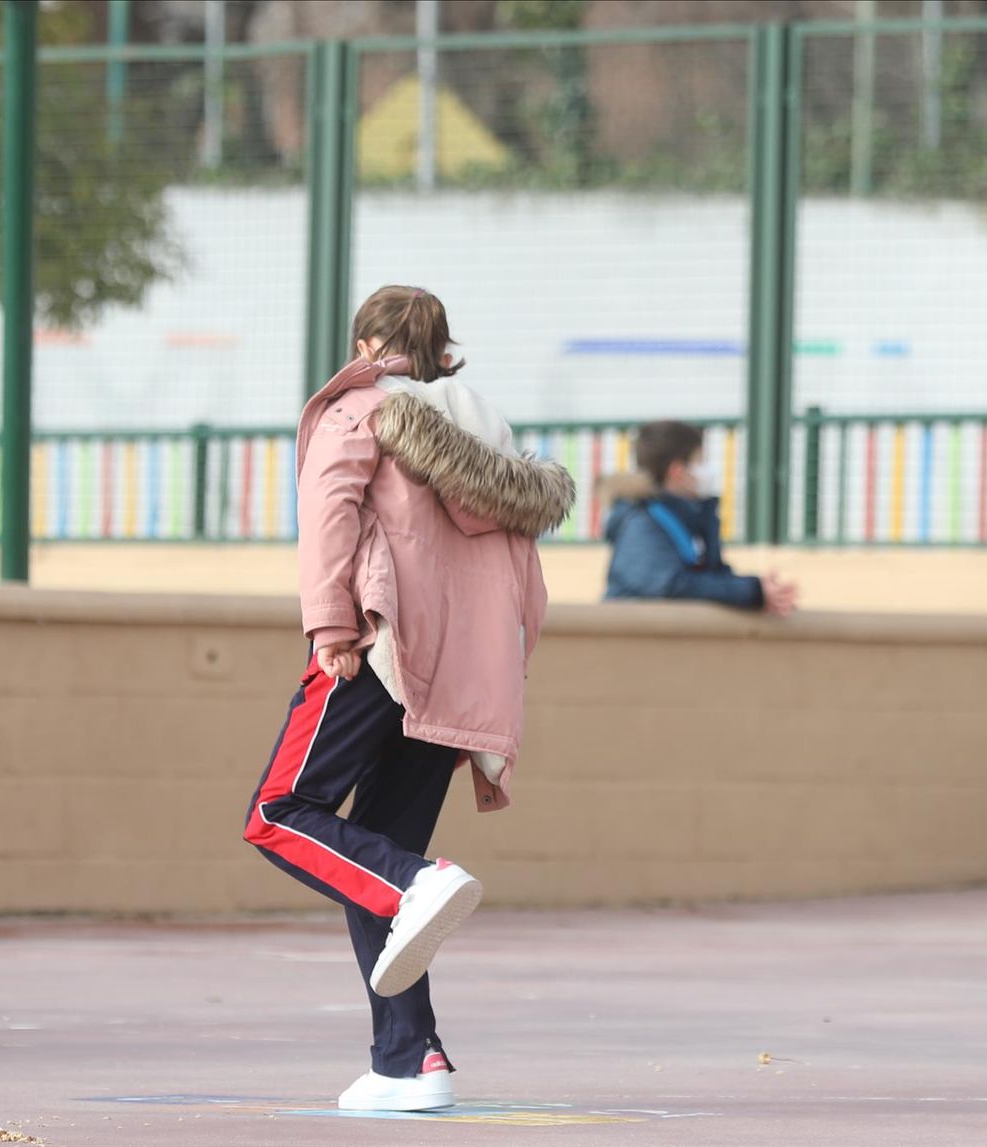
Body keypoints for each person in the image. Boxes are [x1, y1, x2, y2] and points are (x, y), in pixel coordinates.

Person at [242, 286, 575, 1112]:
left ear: (366, 342)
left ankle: (415, 885)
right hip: (463, 672)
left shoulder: (358, 408)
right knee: (374, 853)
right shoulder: (489, 441)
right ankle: (410, 1060)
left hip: (377, 647)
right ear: (442, 351)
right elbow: (524, 585)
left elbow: (331, 513)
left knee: (282, 811)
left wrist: (329, 624)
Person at [603, 420, 797, 615]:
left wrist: (763, 592)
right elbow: (670, 585)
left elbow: (712, 576)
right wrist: (751, 591)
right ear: (677, 471)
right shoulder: (641, 522)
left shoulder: (691, 519)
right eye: (700, 461)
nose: (708, 470)